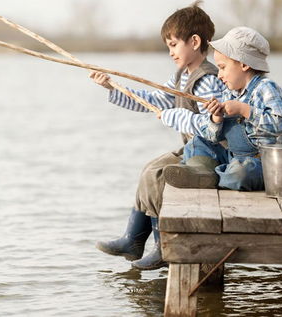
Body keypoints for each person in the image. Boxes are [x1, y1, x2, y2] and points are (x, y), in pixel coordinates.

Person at [89, 1, 224, 270]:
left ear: (194, 41)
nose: (171, 52)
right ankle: (133, 239)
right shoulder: (180, 78)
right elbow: (151, 100)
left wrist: (175, 116)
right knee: (150, 168)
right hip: (194, 149)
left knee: (158, 176)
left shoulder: (208, 79)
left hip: (214, 153)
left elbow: (214, 125)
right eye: (168, 46)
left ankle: (163, 246)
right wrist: (112, 88)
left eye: (174, 44)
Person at [163, 26, 282, 191]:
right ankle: (206, 172)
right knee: (197, 142)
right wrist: (216, 119)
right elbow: (215, 136)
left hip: (259, 160)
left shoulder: (266, 88)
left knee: (241, 174)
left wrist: (245, 110)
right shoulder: (229, 92)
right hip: (233, 156)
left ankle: (210, 174)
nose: (219, 74)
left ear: (244, 64)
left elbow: (280, 123)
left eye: (222, 67)